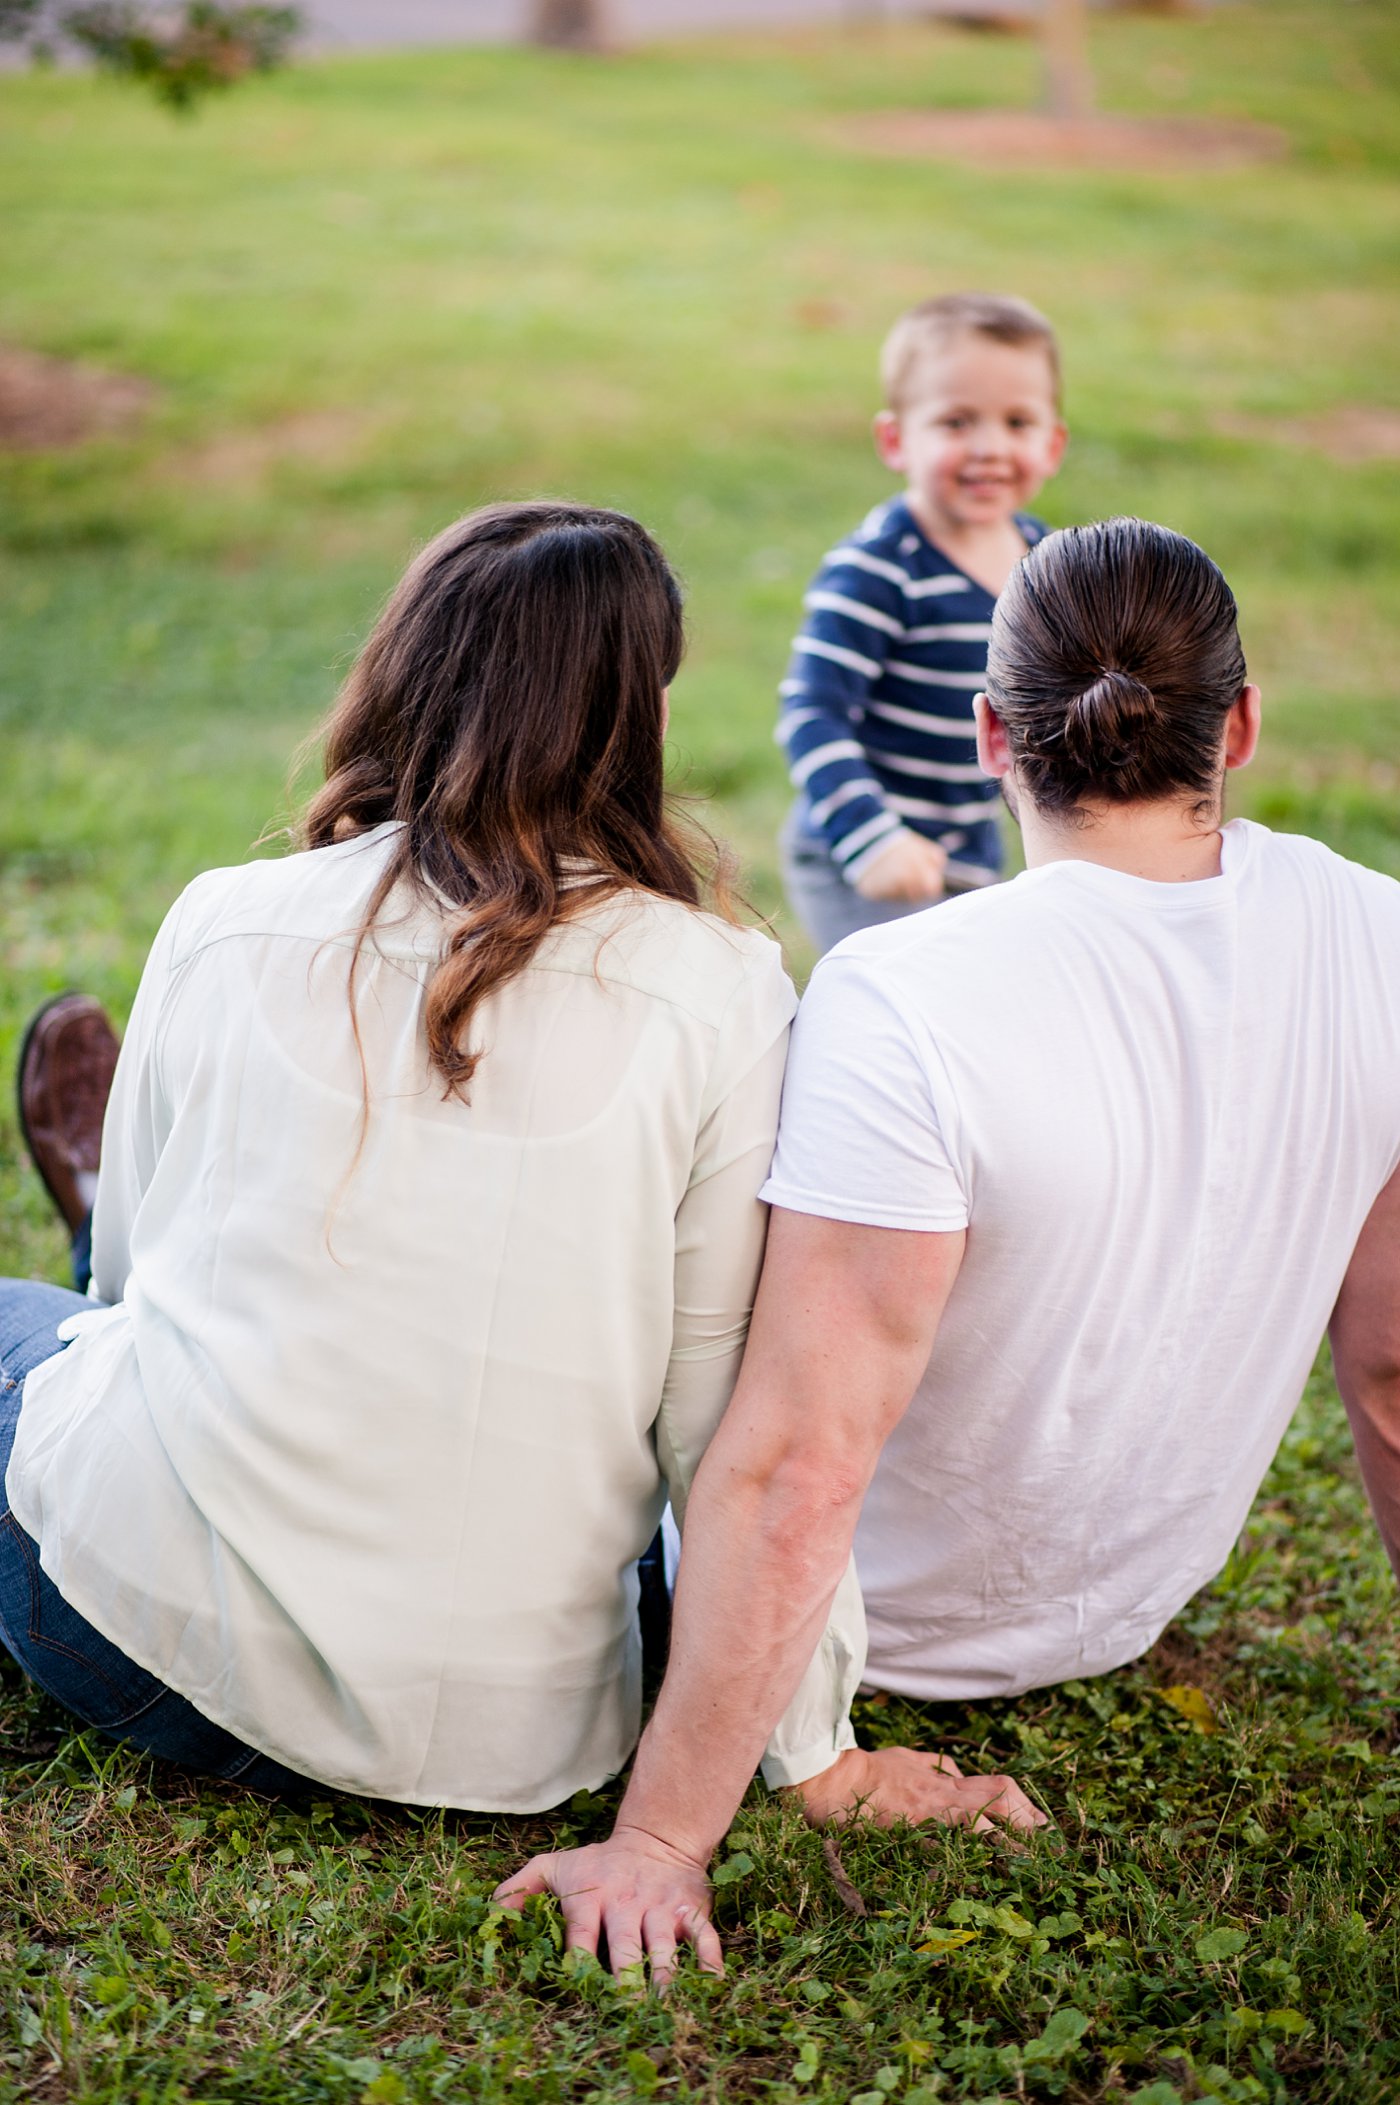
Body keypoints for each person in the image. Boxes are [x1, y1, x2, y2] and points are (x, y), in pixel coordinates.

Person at [500, 517, 1400, 1983]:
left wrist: (662, 1841)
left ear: (991, 734)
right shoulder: (1384, 935)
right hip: (1115, 1610)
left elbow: (805, 1452)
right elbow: (1392, 1367)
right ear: (1238, 723)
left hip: (864, 1626)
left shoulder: (909, 989)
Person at [1, 501, 800, 1862]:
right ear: (640, 709)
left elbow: (140, 1296)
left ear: (405, 672)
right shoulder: (729, 991)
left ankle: (126, 1207)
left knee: (50, 1318)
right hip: (524, 1730)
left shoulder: (228, 916)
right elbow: (723, 1417)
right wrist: (804, 1736)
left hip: (144, 1640)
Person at [777, 292, 1068, 955]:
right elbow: (810, 711)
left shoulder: (1046, 560)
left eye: (1017, 422)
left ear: (1053, 444)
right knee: (886, 1012)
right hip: (866, 852)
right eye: (957, 422)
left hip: (969, 852)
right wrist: (870, 835)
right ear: (895, 440)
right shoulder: (880, 569)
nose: (990, 448)